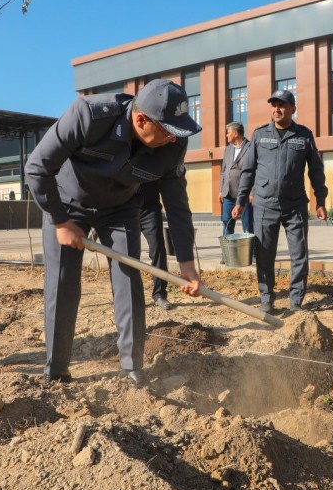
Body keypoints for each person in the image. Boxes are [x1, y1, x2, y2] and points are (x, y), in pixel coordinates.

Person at [25, 79, 202, 387]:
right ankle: (56, 370)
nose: (173, 139)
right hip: (68, 205)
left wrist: (186, 263)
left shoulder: (174, 144)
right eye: (168, 130)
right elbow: (37, 167)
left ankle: (132, 367)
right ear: (141, 119)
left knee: (127, 278)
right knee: (62, 282)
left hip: (120, 209)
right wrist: (60, 221)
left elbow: (177, 204)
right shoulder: (91, 115)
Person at [232, 89, 327, 314]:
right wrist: (241, 200)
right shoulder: (259, 135)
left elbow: (316, 170)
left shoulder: (304, 136)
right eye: (274, 105)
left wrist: (320, 200)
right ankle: (266, 297)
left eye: (282, 105)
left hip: (295, 206)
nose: (277, 109)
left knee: (299, 255)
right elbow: (248, 171)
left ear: (292, 109)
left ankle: (295, 301)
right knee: (264, 255)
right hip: (265, 205)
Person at [139, 180, 172, 310]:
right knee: (127, 253)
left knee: (158, 249)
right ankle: (132, 297)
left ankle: (159, 294)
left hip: (150, 209)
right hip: (124, 208)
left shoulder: (154, 159)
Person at [218, 122, 253, 236]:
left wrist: (252, 192)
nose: (226, 135)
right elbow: (223, 171)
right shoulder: (228, 149)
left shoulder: (251, 147)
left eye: (228, 133)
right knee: (227, 224)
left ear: (236, 133)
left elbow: (255, 172)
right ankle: (228, 253)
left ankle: (251, 253)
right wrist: (220, 190)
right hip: (227, 194)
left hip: (245, 195)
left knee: (248, 227)